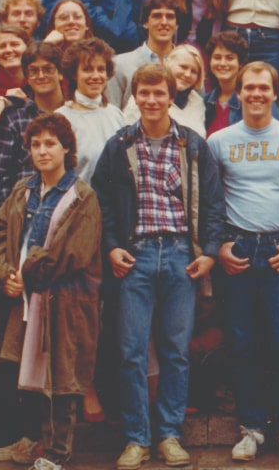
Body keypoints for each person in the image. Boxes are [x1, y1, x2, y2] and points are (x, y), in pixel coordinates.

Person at [94, 63, 220, 470]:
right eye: (143, 94)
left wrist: (210, 251)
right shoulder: (119, 145)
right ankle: (136, 439)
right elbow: (104, 205)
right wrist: (111, 247)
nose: (151, 101)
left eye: (159, 93)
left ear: (170, 97)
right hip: (136, 256)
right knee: (131, 351)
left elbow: (213, 202)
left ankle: (169, 434)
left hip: (182, 256)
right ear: (134, 98)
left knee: (175, 350)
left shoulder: (194, 145)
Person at [208, 62, 279, 463]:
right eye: (249, 88)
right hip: (237, 250)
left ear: (276, 93)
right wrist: (218, 244)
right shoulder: (219, 141)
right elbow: (209, 201)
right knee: (242, 342)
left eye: (264, 88)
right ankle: (251, 427)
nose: (256, 94)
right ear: (238, 93)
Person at [0, 112, 102, 470]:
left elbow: (74, 253)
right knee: (20, 367)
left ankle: (58, 453)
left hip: (63, 299)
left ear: (67, 148)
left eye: (50, 144)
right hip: (21, 297)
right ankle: (31, 441)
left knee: (61, 375)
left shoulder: (82, 197)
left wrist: (26, 271)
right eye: (36, 145)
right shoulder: (23, 190)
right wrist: (4, 275)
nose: (42, 151)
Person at [0, 42, 66, 217]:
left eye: (48, 69)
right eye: (34, 71)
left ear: (60, 73)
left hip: (69, 217)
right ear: (27, 76)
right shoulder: (15, 120)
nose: (41, 76)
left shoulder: (73, 115)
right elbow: (0, 182)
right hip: (25, 216)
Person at [55, 38, 125, 185]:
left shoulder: (116, 114)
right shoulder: (61, 119)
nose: (95, 76)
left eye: (100, 69)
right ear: (74, 74)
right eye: (87, 69)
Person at [107, 0, 182, 110]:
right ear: (145, 23)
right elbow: (112, 112)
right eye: (157, 16)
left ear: (177, 25)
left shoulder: (188, 66)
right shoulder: (121, 64)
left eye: (170, 17)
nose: (164, 22)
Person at [123, 44, 207, 136]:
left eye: (194, 71)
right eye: (183, 67)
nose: (187, 74)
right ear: (168, 63)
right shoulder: (146, 97)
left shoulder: (197, 103)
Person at [203, 31, 250, 135]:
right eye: (217, 57)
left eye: (229, 58)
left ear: (240, 63)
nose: (223, 63)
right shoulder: (204, 102)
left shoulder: (252, 100)